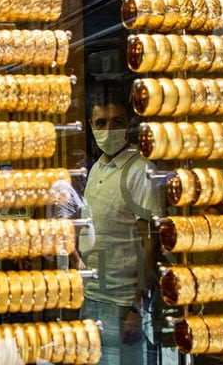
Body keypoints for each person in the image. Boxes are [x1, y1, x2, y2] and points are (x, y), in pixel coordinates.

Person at [78, 92, 164, 365]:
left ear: (129, 124)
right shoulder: (96, 169)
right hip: (92, 296)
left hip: (123, 303)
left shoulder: (140, 170)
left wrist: (137, 308)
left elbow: (151, 239)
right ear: (91, 126)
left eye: (117, 122)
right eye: (101, 123)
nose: (108, 130)